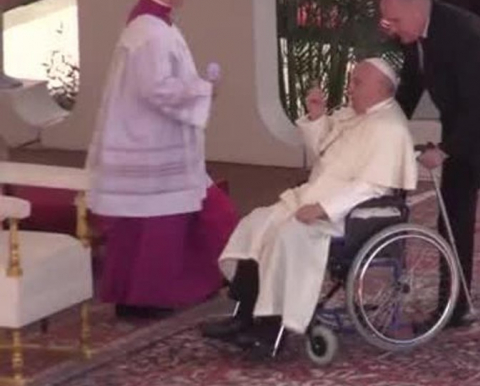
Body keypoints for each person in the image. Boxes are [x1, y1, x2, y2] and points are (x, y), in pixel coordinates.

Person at [201, 58, 417, 351]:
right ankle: (244, 315)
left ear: (382, 88)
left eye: (357, 83)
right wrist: (317, 118)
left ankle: (270, 329)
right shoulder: (355, 115)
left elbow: (372, 186)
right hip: (315, 197)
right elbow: (324, 157)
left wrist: (324, 208)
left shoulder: (389, 127)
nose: (350, 88)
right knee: (259, 222)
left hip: (351, 213)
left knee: (286, 236)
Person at [379, 0, 480, 348]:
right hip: (464, 125)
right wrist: (383, 126)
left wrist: (446, 150)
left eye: (394, 19)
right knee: (452, 217)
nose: (390, 27)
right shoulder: (412, 32)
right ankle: (455, 304)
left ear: (416, 8)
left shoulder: (464, 33)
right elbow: (412, 86)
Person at [86, 0, 239, 318]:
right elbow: (156, 88)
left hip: (151, 141)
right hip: (151, 145)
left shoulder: (152, 25)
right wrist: (203, 89)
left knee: (147, 225)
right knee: (159, 226)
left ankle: (137, 296)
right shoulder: (150, 31)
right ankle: (147, 299)